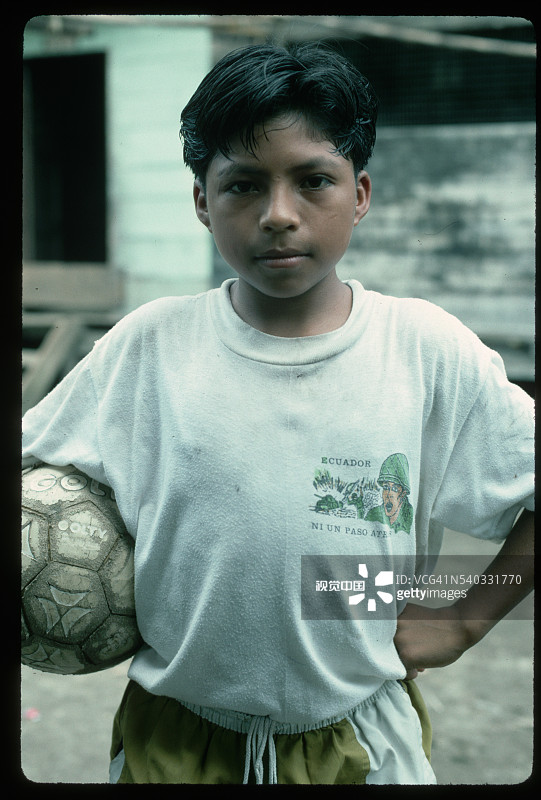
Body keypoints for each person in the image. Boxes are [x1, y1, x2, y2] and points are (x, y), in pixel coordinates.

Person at [21, 42, 534, 785]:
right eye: (243, 185)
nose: (279, 215)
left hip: (357, 739)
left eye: (314, 181)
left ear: (360, 193)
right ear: (203, 201)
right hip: (176, 740)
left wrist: (461, 616)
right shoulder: (149, 346)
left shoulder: (424, 349)